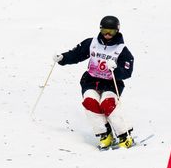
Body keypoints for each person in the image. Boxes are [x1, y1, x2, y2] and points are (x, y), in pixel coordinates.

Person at [53, 15, 135, 150]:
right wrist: (63, 58)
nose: (108, 35)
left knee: (108, 104)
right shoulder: (92, 43)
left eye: (112, 32)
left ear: (117, 31)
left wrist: (115, 69)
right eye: (105, 31)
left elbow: (127, 71)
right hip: (91, 80)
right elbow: (76, 54)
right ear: (100, 30)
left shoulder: (122, 50)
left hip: (110, 83)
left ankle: (124, 135)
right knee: (90, 102)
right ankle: (105, 134)